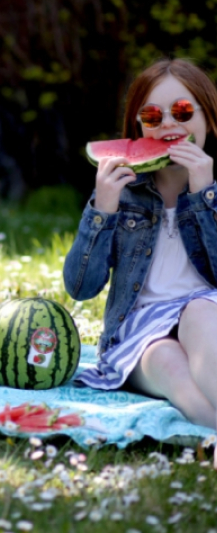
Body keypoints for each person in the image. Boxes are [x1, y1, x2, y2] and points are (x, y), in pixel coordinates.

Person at [64, 58, 217, 449]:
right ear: (138, 125)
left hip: (207, 312)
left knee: (200, 310)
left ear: (209, 118)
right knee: (167, 361)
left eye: (182, 111)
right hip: (140, 331)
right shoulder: (122, 190)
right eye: (152, 114)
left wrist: (205, 197)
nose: (168, 123)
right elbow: (80, 288)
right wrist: (103, 208)